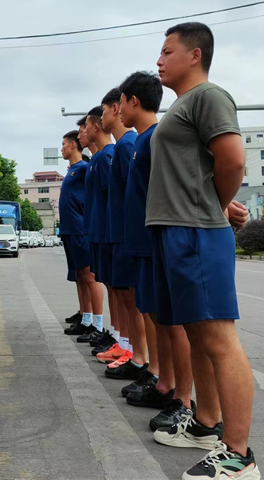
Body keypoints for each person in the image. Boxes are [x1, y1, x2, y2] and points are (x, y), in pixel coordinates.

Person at [147, 22, 259, 480]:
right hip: (177, 230)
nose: (159, 60)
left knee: (218, 340)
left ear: (194, 55)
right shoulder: (181, 106)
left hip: (195, 231)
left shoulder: (208, 97)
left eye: (167, 51)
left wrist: (212, 206)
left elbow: (232, 159)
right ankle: (205, 426)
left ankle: (238, 455)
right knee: (197, 337)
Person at [118, 71, 190, 427]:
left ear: (133, 101)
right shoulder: (143, 140)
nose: (117, 111)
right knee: (158, 319)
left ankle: (183, 397)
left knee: (172, 322)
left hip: (156, 242)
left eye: (119, 103)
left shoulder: (151, 139)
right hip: (144, 243)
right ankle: (164, 383)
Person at [99, 89, 147, 379]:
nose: (102, 116)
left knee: (135, 301)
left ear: (117, 108)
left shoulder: (128, 144)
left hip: (129, 235)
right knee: (126, 298)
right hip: (117, 233)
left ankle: (138, 357)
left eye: (103, 111)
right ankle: (132, 350)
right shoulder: (121, 147)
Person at [84, 102, 119, 358]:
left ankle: (125, 344)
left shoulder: (108, 156)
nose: (82, 132)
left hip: (110, 233)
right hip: (99, 232)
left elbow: (113, 199)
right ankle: (119, 338)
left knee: (122, 293)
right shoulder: (98, 159)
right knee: (112, 287)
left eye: (85, 126)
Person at [57, 131, 94, 336]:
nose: (61, 148)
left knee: (89, 276)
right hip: (69, 231)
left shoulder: (83, 168)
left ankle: (94, 322)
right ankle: (84, 315)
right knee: (79, 275)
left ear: (73, 145)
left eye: (63, 144)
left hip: (80, 229)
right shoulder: (73, 170)